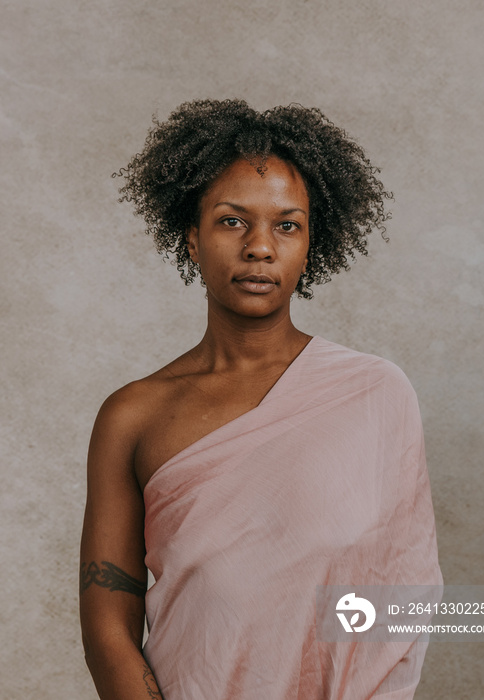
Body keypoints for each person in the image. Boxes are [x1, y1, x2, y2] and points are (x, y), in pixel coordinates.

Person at [79, 99, 442, 700]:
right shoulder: (133, 415)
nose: (260, 247)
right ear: (190, 238)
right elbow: (107, 622)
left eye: (287, 224)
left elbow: (409, 597)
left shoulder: (376, 393)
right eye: (231, 220)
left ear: (309, 245)